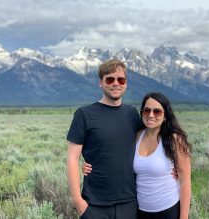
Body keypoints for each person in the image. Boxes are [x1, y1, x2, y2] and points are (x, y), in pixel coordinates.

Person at [83, 92, 192, 219]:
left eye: (157, 112)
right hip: (140, 211)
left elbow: (185, 182)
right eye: (147, 110)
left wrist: (183, 217)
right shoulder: (136, 136)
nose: (151, 115)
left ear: (165, 116)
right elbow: (116, 156)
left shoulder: (174, 140)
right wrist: (90, 165)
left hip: (168, 209)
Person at [66, 59, 141, 219]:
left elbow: (151, 144)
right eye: (110, 79)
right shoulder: (84, 114)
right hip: (94, 204)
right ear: (101, 83)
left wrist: (172, 167)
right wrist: (78, 202)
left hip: (129, 202)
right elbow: (72, 158)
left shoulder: (132, 114)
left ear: (126, 83)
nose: (116, 83)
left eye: (120, 79)